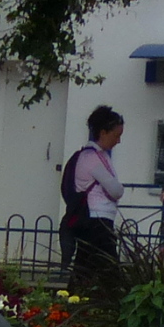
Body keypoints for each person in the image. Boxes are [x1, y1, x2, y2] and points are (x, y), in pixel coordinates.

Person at [59, 105, 124, 287]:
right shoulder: (92, 159)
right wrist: (118, 189)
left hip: (93, 220)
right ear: (103, 132)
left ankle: (72, 302)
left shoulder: (96, 157)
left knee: (84, 268)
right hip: (98, 220)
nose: (118, 141)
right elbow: (115, 190)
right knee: (111, 272)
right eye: (116, 135)